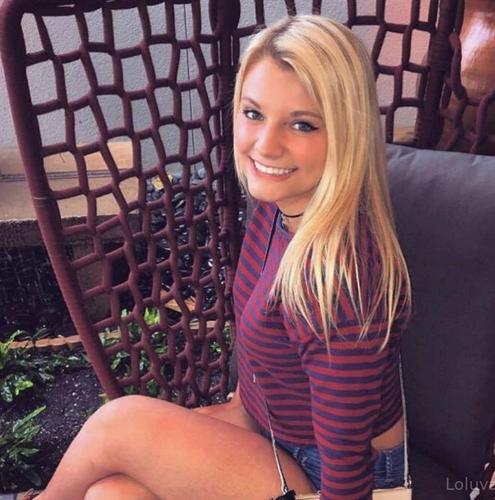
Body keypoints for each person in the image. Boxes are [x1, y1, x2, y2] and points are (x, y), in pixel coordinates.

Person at [31, 14, 411, 500]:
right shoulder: (277, 207)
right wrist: (232, 414)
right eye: (253, 114)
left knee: (119, 423)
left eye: (302, 124)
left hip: (332, 471)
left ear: (347, 133)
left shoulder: (336, 280)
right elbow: (270, 369)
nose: (265, 144)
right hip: (268, 431)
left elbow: (347, 471)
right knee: (111, 494)